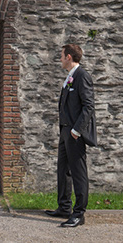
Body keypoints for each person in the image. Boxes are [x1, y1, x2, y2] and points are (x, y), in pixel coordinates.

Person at [45, 44, 97, 227]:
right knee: (63, 170)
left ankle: (79, 214)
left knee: (78, 173)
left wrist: (77, 130)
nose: (59, 59)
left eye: (61, 56)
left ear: (68, 56)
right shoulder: (70, 76)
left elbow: (88, 106)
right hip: (65, 131)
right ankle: (64, 207)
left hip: (74, 133)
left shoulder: (82, 76)